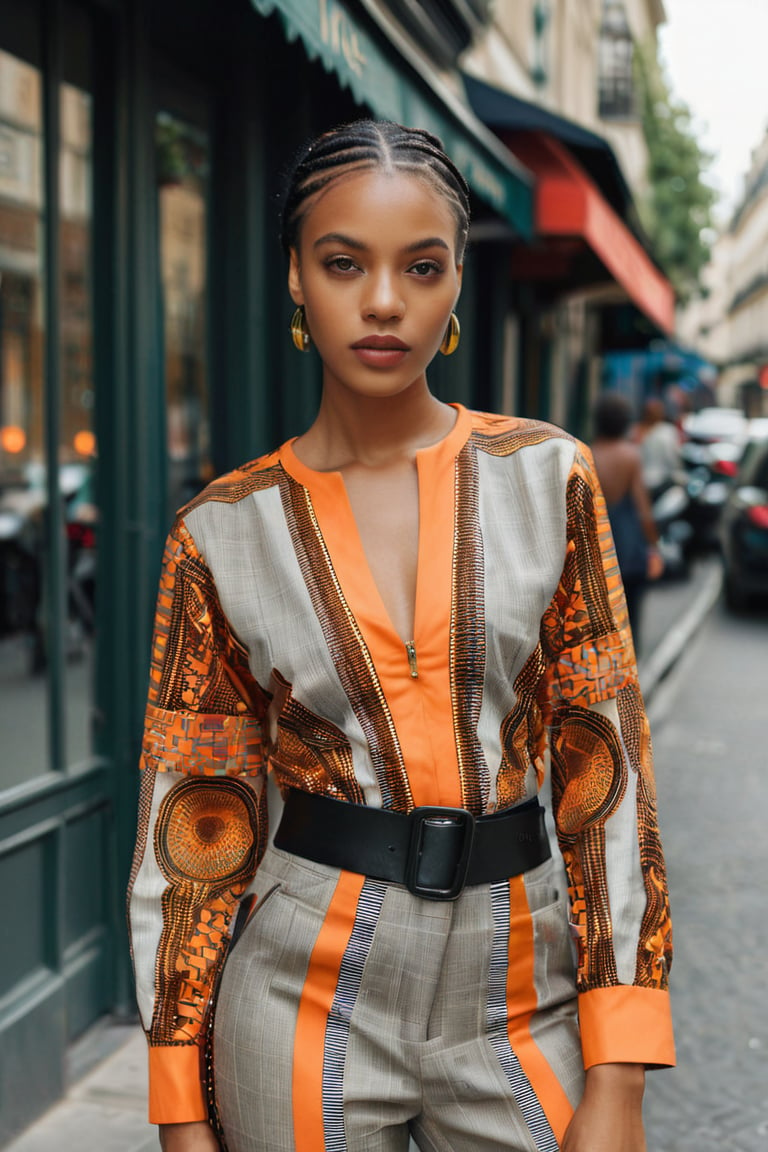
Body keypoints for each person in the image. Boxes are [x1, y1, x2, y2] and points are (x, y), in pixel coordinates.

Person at [128, 120, 674, 1152]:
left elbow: (607, 775)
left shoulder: (548, 479)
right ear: (296, 276)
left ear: (458, 281)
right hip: (296, 987)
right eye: (344, 263)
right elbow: (195, 821)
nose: (384, 302)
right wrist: (178, 1107)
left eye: (421, 267)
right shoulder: (219, 533)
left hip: (524, 982)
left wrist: (622, 1065)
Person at [591, 391, 664, 649]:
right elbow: (643, 509)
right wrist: (654, 545)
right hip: (628, 550)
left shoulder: (585, 453)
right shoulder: (631, 456)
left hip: (592, 551)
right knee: (630, 616)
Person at [633, 397, 682, 497]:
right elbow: (672, 459)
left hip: (638, 484)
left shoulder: (635, 431)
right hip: (659, 483)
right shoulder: (667, 431)